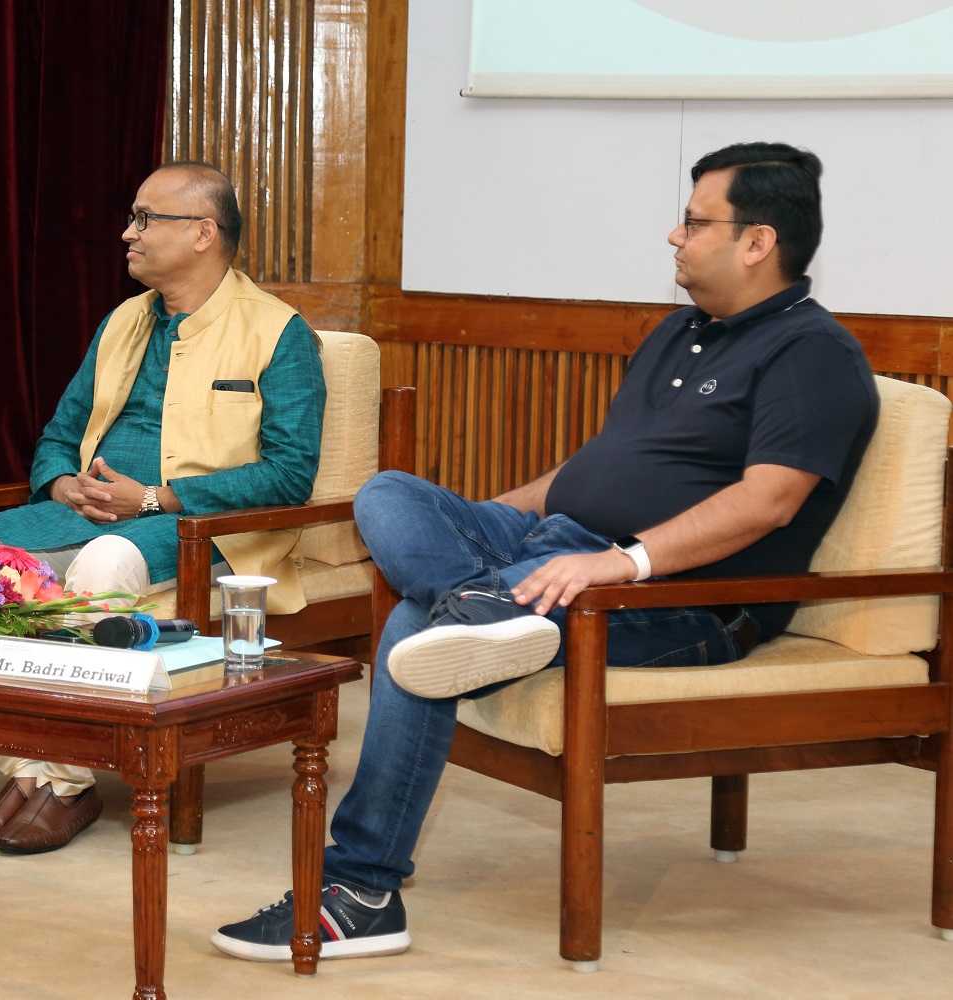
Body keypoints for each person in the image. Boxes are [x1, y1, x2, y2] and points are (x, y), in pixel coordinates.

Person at [212, 142, 879, 960]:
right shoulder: (679, 333)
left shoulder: (813, 355)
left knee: (414, 634)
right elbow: (599, 466)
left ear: (757, 242)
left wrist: (621, 561)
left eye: (697, 221)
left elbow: (768, 500)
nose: (675, 235)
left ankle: (359, 891)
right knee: (389, 495)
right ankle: (485, 606)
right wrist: (492, 520)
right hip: (548, 546)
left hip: (677, 598)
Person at [0, 161, 327, 854]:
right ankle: (29, 770)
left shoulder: (280, 333)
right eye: (133, 218)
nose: (128, 233)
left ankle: (59, 783)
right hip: (88, 506)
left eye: (147, 219)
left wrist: (157, 497)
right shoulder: (124, 320)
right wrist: (60, 482)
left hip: (200, 528)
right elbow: (61, 433)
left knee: (105, 559)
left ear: (204, 232)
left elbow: (290, 474)